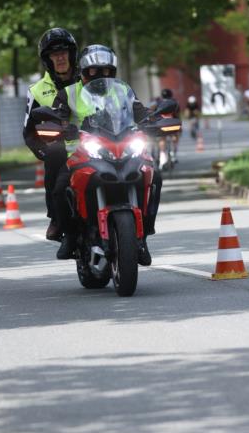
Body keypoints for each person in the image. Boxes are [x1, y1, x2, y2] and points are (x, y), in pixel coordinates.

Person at [51, 44, 160, 265]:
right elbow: (56, 118)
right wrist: (60, 127)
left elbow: (140, 112)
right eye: (93, 71)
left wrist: (155, 120)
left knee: (154, 176)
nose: (100, 76)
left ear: (113, 71)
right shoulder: (68, 93)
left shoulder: (122, 91)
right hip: (81, 153)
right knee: (60, 187)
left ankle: (144, 235)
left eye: (106, 71)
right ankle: (70, 236)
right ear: (82, 71)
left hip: (123, 147)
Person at [23, 27, 79, 239]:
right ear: (47, 59)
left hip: (94, 142)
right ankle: (57, 219)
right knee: (54, 156)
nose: (61, 57)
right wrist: (43, 150)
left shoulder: (88, 80)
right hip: (61, 149)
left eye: (64, 52)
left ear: (72, 54)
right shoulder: (36, 90)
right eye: (55, 54)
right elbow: (29, 131)